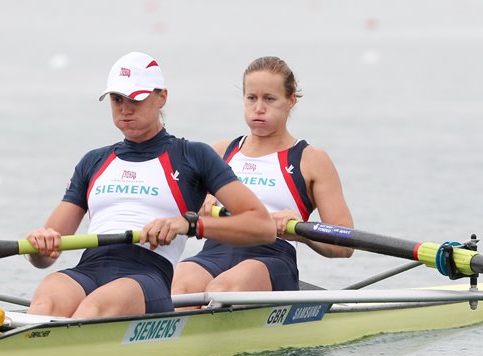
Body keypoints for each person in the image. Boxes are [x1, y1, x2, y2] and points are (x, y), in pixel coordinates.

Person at [25, 51, 275, 319]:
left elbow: (262, 226)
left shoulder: (193, 156)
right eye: (117, 99)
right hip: (88, 269)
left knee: (94, 308)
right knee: (46, 299)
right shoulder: (93, 161)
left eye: (136, 98)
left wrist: (188, 224)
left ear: (161, 97)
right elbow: (45, 258)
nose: (125, 108)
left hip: (146, 276)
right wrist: (40, 245)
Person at [172, 56, 354, 303]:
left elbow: (344, 244)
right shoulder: (219, 153)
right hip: (213, 255)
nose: (259, 107)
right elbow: (175, 210)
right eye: (251, 98)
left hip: (271, 259)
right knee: (176, 284)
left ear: (290, 101)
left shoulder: (311, 160)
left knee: (222, 290)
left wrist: (299, 232)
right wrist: (200, 202)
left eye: (269, 99)